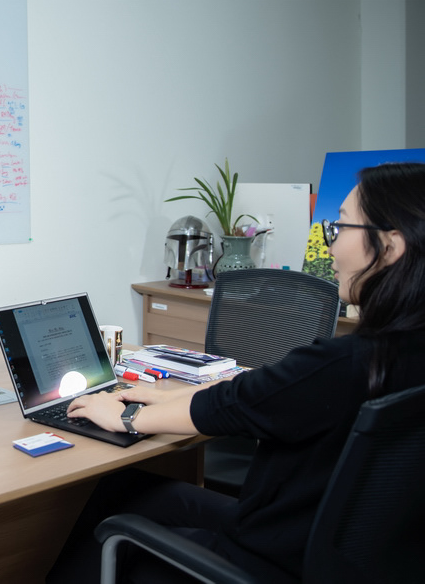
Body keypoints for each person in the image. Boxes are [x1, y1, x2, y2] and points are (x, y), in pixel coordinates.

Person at [48, 161, 425, 583]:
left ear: (391, 246)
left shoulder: (345, 364)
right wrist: (169, 397)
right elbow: (258, 390)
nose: (331, 246)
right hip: (329, 546)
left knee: (113, 522)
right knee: (124, 489)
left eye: (340, 227)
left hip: (263, 560)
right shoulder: (398, 354)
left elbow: (232, 405)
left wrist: (125, 417)